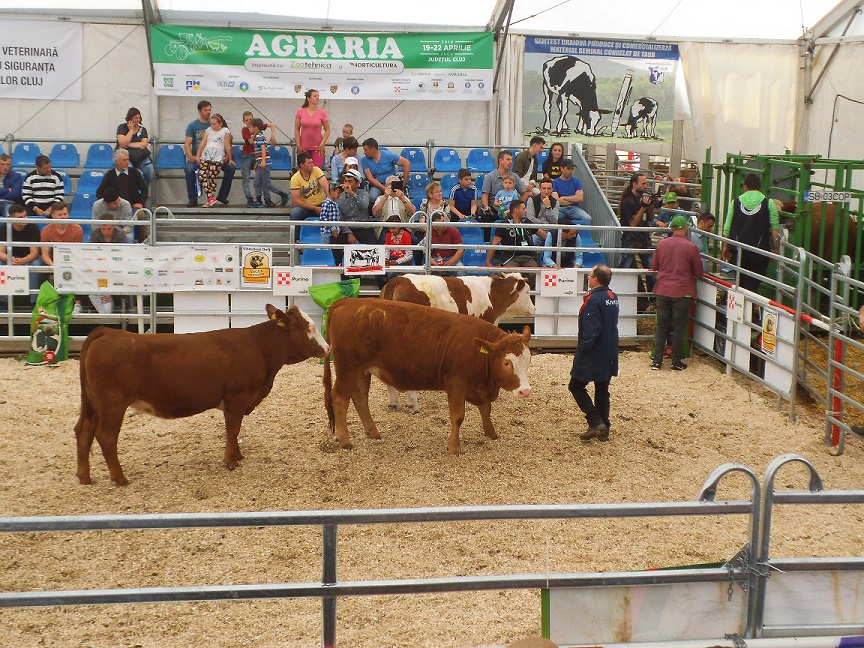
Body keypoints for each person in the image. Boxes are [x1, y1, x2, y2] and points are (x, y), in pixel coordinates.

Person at [569, 264, 619, 442]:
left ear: (596, 279)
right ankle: (604, 429)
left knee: (576, 386)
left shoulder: (593, 299)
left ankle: (595, 421)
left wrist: (582, 351)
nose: (588, 278)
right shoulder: (612, 297)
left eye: (590, 276)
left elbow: (591, 331)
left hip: (594, 352)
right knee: (602, 389)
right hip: (610, 349)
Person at [650, 215, 703, 371]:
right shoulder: (691, 247)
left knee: (661, 325)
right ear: (685, 228)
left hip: (662, 289)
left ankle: (657, 361)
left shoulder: (661, 244)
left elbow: (654, 265)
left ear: (672, 228)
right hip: (682, 292)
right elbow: (698, 272)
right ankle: (676, 362)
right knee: (679, 327)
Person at [722, 172, 780, 294]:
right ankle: (749, 304)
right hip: (759, 253)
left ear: (745, 187)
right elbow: (775, 229)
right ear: (760, 187)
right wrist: (775, 248)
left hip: (737, 252)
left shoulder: (735, 202)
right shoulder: (769, 203)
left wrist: (726, 247)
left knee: (740, 286)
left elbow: (727, 228)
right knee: (752, 288)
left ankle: (740, 304)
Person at [183, 100, 234, 207]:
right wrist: (191, 156)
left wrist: (227, 156)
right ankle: (193, 199)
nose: (208, 112)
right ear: (199, 111)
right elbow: (187, 143)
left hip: (217, 157)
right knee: (189, 169)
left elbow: (227, 142)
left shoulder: (218, 123)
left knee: (230, 168)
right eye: (205, 110)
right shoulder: (193, 125)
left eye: (209, 110)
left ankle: (222, 196)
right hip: (199, 156)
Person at [40, 201, 83, 314]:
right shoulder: (46, 231)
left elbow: (78, 252)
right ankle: (45, 303)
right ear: (53, 215)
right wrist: (54, 266)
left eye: (65, 214)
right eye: (60, 215)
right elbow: (45, 254)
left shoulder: (77, 229)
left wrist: (68, 265)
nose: (63, 217)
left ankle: (78, 303)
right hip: (53, 261)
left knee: (81, 268)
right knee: (41, 269)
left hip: (72, 260)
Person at [617, 172, 656, 291]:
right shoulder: (627, 202)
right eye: (643, 183)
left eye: (646, 183)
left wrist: (650, 207)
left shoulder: (643, 198)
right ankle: (620, 292)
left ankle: (653, 297)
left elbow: (651, 218)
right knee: (624, 268)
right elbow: (632, 224)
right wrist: (643, 208)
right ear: (634, 184)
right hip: (631, 239)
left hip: (645, 238)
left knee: (651, 270)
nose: (646, 186)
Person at [0, 203, 41, 306]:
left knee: (36, 264)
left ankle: (34, 301)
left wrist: (22, 261)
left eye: (25, 215)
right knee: (1, 265)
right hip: (11, 258)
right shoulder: (5, 227)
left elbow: (35, 253)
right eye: (20, 217)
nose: (24, 219)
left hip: (29, 258)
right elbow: (1, 252)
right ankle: (4, 301)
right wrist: (10, 259)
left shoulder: (33, 227)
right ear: (12, 218)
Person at [87, 214, 129, 314]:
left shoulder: (120, 234)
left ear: (114, 226)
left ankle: (125, 305)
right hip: (99, 264)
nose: (106, 232)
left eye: (109, 229)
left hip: (116, 264)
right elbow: (92, 253)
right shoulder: (94, 234)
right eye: (103, 229)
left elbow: (124, 253)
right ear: (100, 226)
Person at [249, 118, 290, 208]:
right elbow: (259, 152)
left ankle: (283, 195)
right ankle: (259, 201)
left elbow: (263, 148)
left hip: (264, 163)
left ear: (255, 128)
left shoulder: (258, 136)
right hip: (260, 162)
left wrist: (263, 161)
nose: (249, 129)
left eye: (250, 127)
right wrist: (257, 162)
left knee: (266, 183)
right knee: (256, 182)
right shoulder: (257, 136)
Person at [196, 113, 235, 208]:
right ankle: (210, 197)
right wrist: (198, 155)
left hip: (217, 155)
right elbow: (202, 143)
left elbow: (227, 146)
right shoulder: (208, 131)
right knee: (202, 174)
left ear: (220, 123)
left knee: (212, 176)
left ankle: (210, 199)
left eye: (214, 124)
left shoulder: (225, 131)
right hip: (206, 154)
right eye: (211, 124)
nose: (212, 126)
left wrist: (230, 158)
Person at [486, 199, 536, 273]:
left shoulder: (527, 222)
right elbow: (495, 244)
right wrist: (488, 262)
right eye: (523, 208)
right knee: (509, 274)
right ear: (516, 210)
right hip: (511, 258)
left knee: (536, 273)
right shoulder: (504, 225)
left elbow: (543, 234)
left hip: (528, 258)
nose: (526, 211)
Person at [240, 111, 277, 207]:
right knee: (246, 178)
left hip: (258, 156)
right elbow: (251, 142)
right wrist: (258, 136)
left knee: (263, 178)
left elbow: (271, 125)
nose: (249, 122)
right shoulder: (246, 130)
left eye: (250, 119)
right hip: (247, 155)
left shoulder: (256, 129)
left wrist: (272, 136)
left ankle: (267, 198)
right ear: (243, 121)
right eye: (246, 120)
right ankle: (249, 198)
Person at [332, 168, 375, 247]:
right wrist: (349, 233)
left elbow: (364, 205)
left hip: (363, 228)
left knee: (374, 244)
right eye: (345, 181)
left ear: (357, 183)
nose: (347, 183)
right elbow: (340, 218)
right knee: (335, 240)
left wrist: (352, 194)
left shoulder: (364, 193)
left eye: (350, 181)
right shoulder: (339, 197)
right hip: (348, 228)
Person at [362, 138, 410, 202]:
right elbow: (370, 178)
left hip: (392, 183)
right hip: (377, 184)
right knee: (372, 197)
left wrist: (404, 182)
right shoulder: (364, 160)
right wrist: (383, 188)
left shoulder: (388, 155)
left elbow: (406, 163)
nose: (364, 152)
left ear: (373, 149)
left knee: (398, 197)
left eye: (366, 150)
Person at [526, 177, 560, 268]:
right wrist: (547, 225)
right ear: (539, 189)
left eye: (548, 188)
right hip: (535, 231)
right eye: (544, 188)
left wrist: (548, 207)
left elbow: (554, 220)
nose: (546, 191)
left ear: (552, 189)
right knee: (532, 240)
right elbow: (530, 218)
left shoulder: (555, 202)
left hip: (550, 232)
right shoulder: (532, 200)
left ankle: (547, 264)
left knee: (555, 239)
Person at [115, 107, 153, 185]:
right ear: (130, 119)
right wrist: (131, 130)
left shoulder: (142, 130)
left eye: (139, 118)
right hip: (126, 156)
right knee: (129, 172)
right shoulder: (122, 128)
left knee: (149, 170)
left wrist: (128, 144)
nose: (137, 120)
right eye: (135, 118)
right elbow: (122, 143)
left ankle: (144, 188)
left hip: (141, 156)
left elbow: (144, 144)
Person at [294, 88, 331, 169]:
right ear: (308, 98)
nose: (317, 98)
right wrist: (298, 145)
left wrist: (322, 144)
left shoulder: (322, 113)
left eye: (318, 96)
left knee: (316, 170)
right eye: (315, 96)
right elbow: (297, 129)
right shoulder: (300, 111)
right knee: (303, 170)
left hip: (317, 148)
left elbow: (328, 130)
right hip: (303, 147)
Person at [289, 152, 329, 220]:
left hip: (321, 204)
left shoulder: (317, 170)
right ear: (302, 165)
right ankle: (296, 227)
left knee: (332, 208)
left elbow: (326, 187)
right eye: (309, 163)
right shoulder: (295, 178)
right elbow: (296, 202)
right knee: (295, 213)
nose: (312, 165)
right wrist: (315, 208)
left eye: (312, 162)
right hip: (305, 208)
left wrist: (329, 202)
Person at [552, 159, 592, 226]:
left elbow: (580, 198)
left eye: (572, 169)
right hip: (560, 208)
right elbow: (557, 201)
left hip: (574, 208)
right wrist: (573, 200)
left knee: (588, 218)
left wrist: (563, 197)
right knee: (553, 218)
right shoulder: (555, 182)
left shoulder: (576, 181)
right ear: (562, 168)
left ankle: (584, 233)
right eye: (568, 169)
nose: (570, 171)